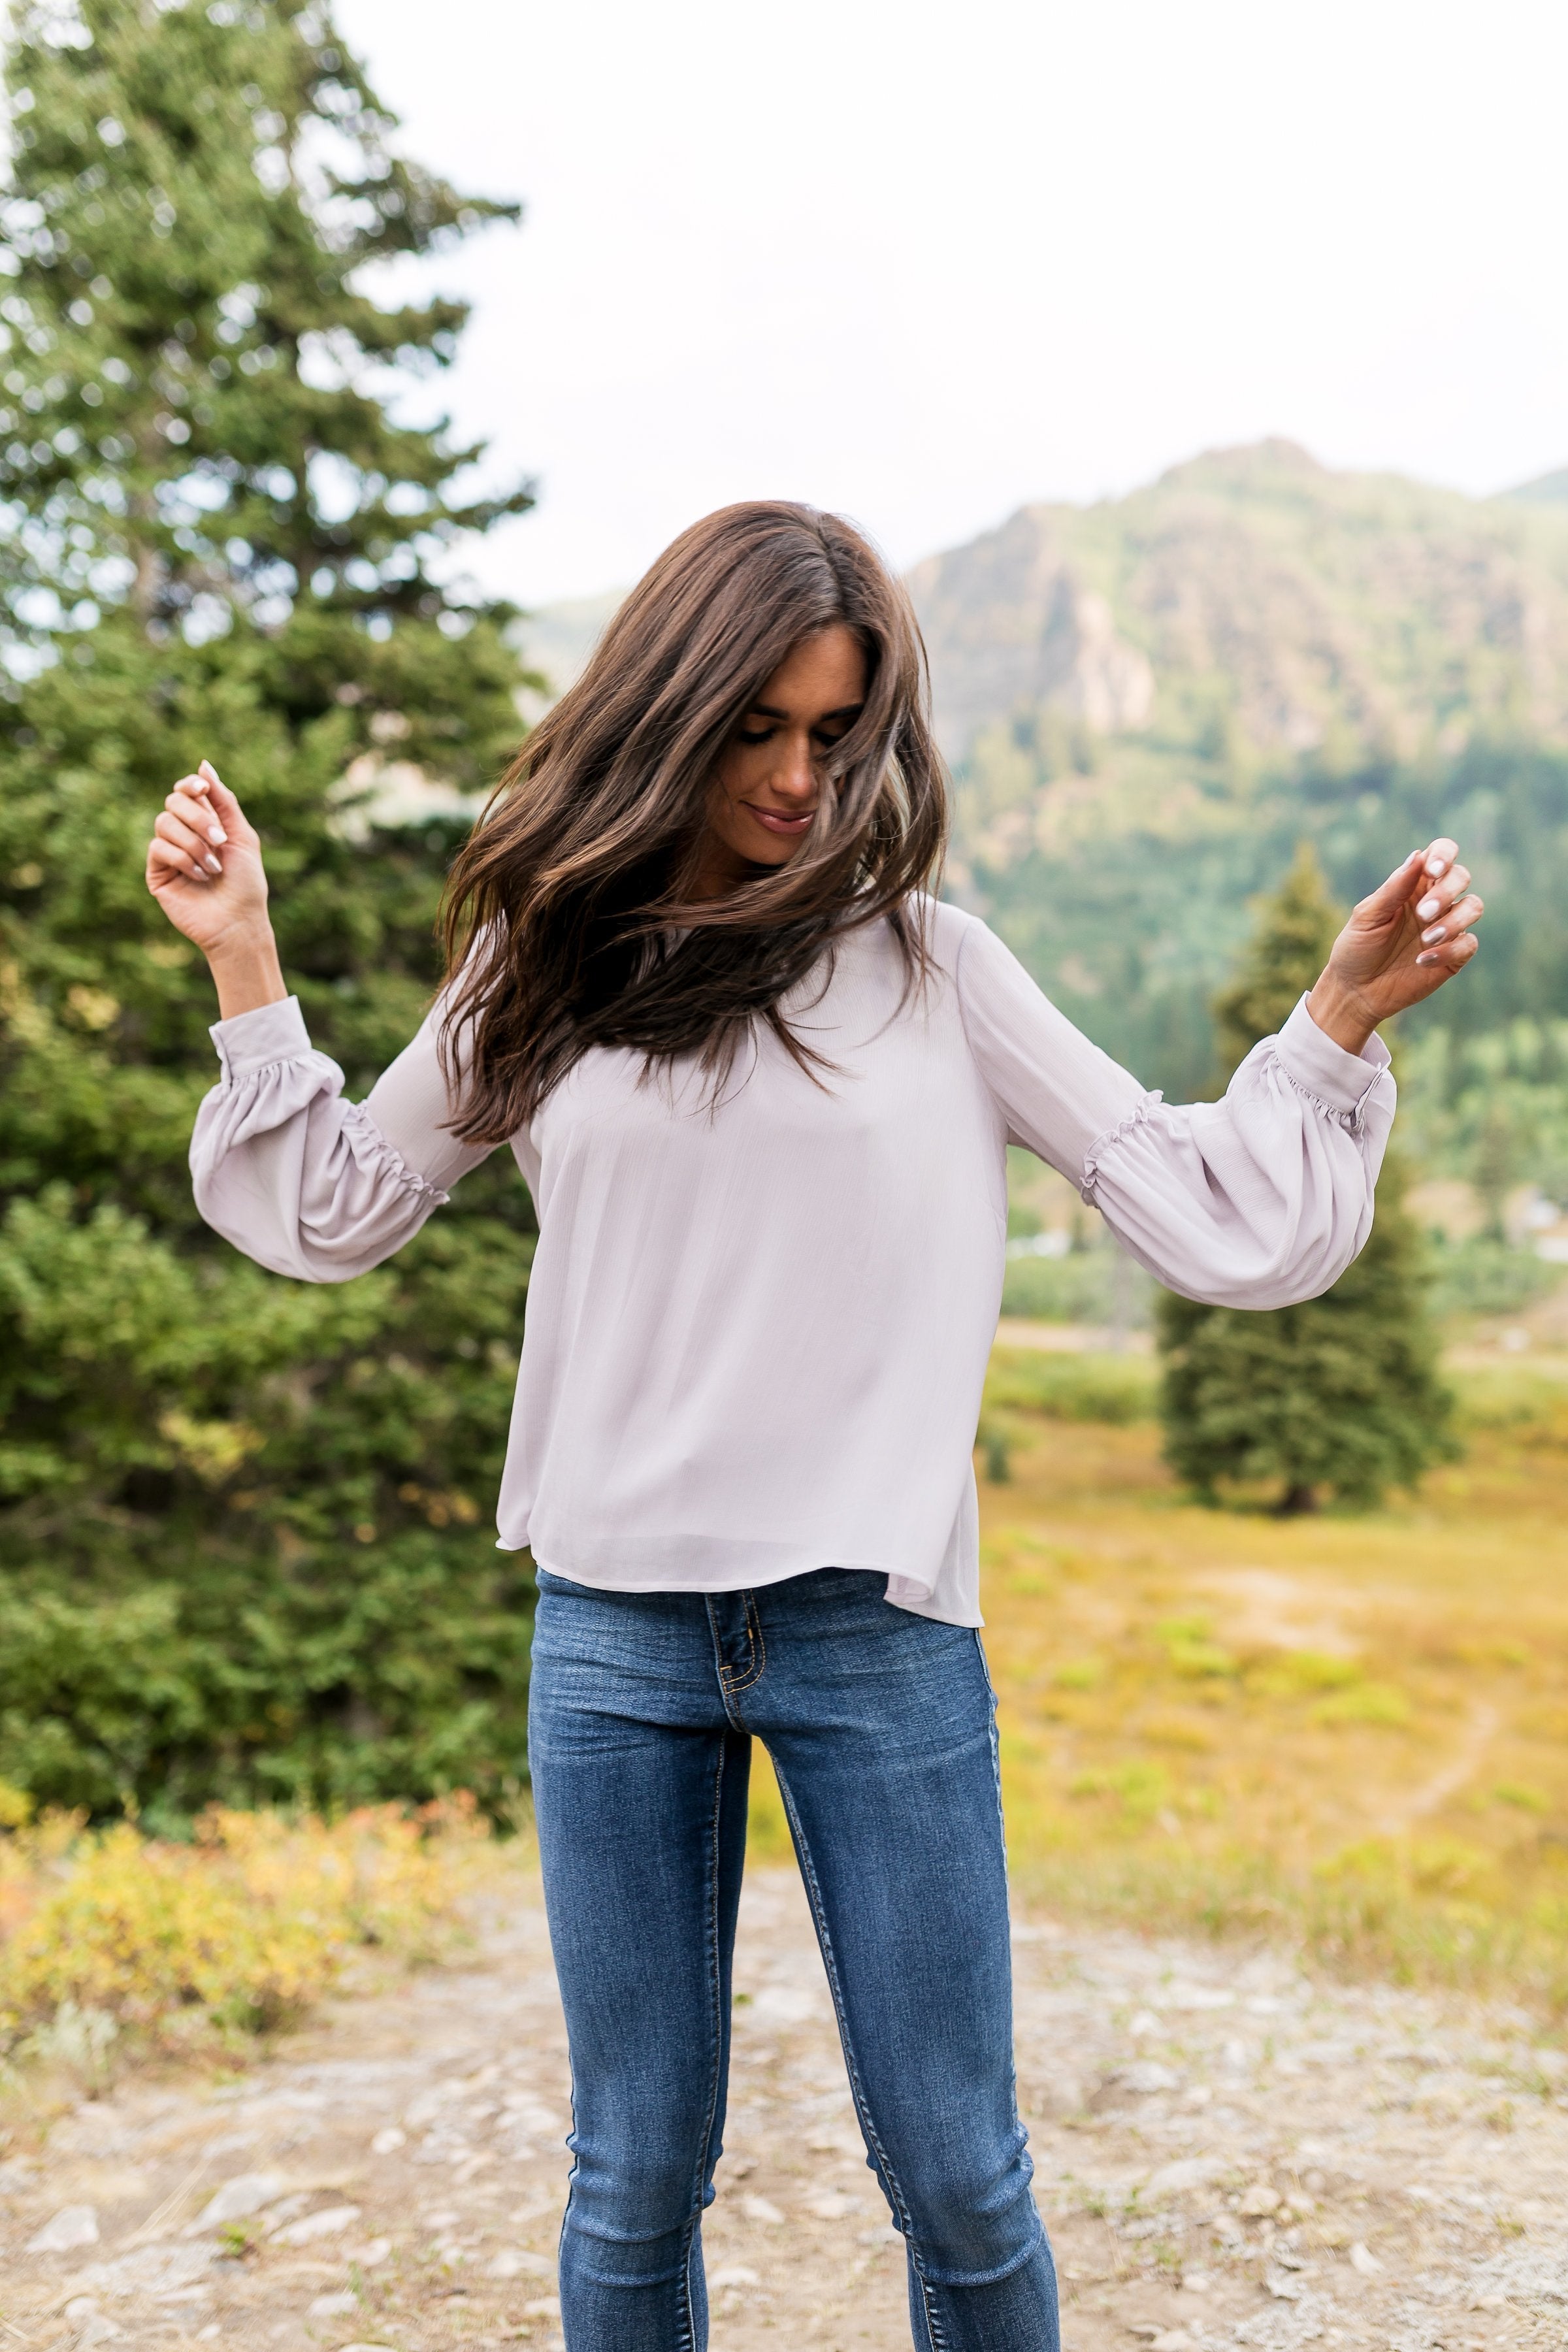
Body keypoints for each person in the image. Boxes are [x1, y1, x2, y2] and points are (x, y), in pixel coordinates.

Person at [144, 502, 1482, 2352]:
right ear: (673, 715)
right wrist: (244, 954)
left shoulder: (937, 968)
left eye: (838, 734)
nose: (797, 775)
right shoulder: (546, 959)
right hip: (611, 1632)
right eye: (758, 728)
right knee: (633, 2175)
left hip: (876, 1627)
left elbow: (1191, 1198)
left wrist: (1331, 1022)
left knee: (957, 2173)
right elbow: (340, 1201)